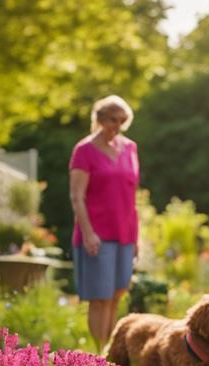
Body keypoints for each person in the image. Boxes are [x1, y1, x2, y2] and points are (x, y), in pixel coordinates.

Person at [69, 95, 139, 352]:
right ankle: (98, 354)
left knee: (116, 295)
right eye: (112, 120)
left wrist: (136, 238)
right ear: (99, 119)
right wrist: (88, 233)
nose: (117, 126)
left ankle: (108, 356)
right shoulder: (84, 151)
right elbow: (77, 195)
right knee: (99, 298)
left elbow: (132, 197)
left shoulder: (130, 148)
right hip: (97, 233)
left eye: (122, 121)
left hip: (126, 233)